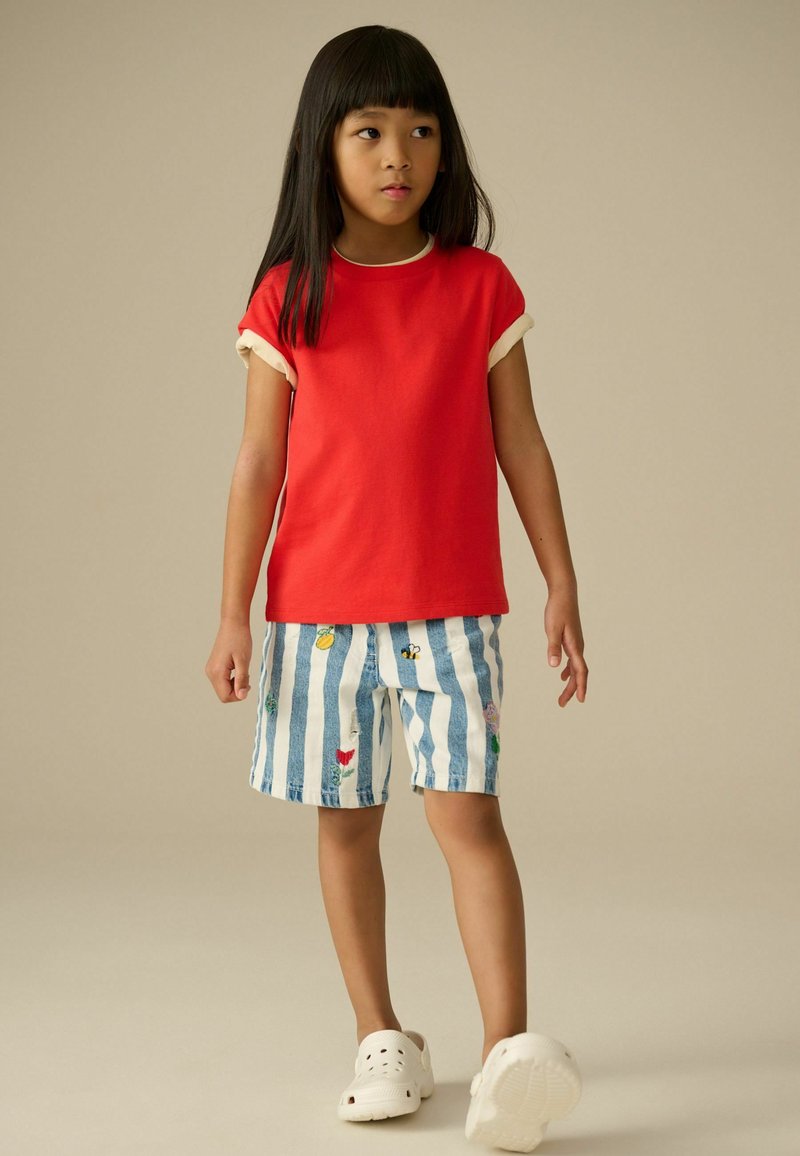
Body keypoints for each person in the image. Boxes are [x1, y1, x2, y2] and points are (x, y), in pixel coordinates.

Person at [205, 23, 588, 1154]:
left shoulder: (479, 287)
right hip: (318, 622)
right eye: (369, 131)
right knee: (346, 827)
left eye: (420, 131)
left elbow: (521, 443)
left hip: (453, 612)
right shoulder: (289, 295)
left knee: (469, 816)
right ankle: (381, 1034)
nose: (397, 155)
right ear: (321, 148)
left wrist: (560, 578)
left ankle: (508, 1056)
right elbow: (258, 463)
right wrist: (232, 611)